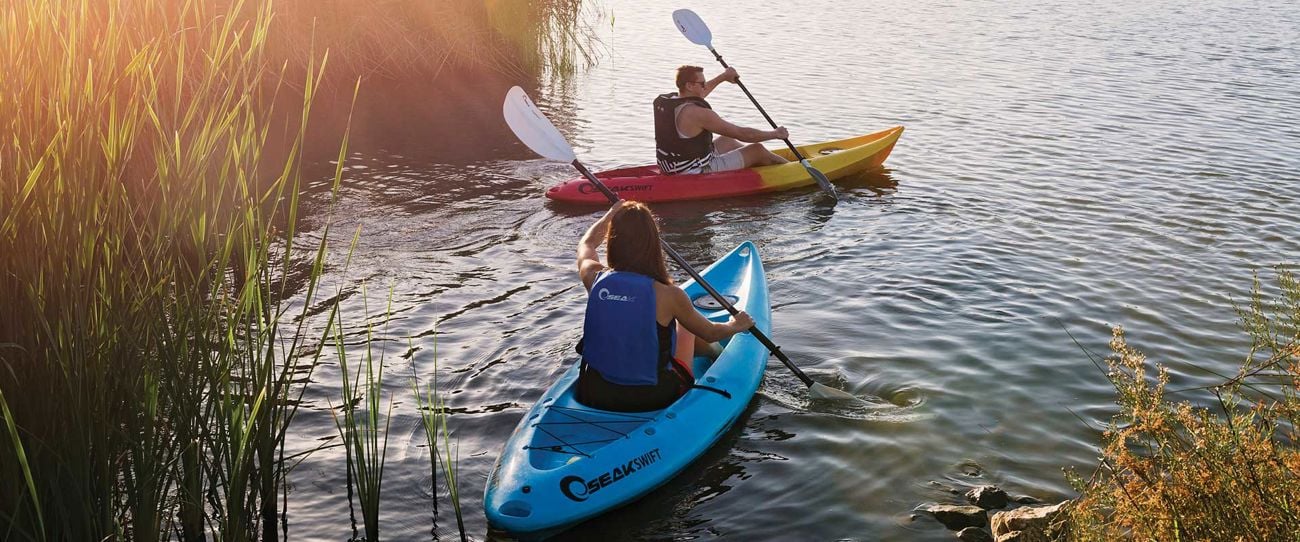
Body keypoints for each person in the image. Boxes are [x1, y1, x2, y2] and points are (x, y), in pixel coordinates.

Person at [575, 201, 754, 412]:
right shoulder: (669, 295)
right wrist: (736, 325)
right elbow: (711, 331)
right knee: (686, 325)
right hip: (652, 398)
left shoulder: (594, 277)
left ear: (613, 241)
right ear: (653, 243)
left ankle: (708, 352)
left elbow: (586, 244)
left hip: (594, 392)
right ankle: (715, 354)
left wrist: (610, 216)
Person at [654, 65, 790, 175]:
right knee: (757, 149)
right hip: (692, 170)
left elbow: (701, 93)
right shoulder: (698, 113)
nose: (705, 86)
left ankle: (756, 164)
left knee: (727, 140)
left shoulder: (671, 101)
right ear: (689, 86)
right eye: (702, 83)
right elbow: (742, 134)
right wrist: (775, 134)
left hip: (670, 165)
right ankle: (791, 169)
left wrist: (724, 77)